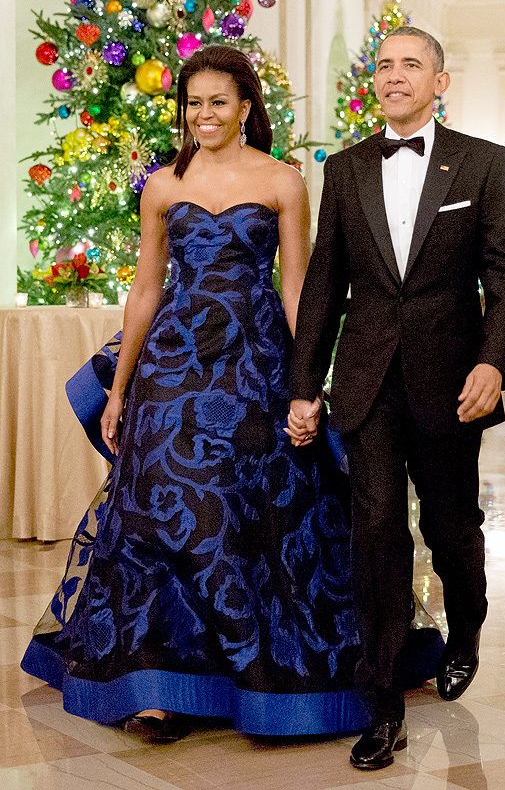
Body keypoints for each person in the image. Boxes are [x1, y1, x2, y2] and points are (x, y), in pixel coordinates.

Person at [21, 45, 443, 743]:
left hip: (254, 366)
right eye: (194, 103)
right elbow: (146, 288)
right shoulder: (162, 185)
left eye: (218, 102)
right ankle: (157, 686)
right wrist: (120, 389)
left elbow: (297, 286)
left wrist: (311, 379)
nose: (204, 115)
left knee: (240, 514)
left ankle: (247, 675)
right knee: (159, 511)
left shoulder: (283, 181)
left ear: (246, 106)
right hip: (171, 367)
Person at [287, 26, 505, 770]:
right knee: (376, 534)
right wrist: (305, 387)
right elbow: (324, 284)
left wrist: (494, 363)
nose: (395, 75)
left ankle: (467, 628)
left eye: (411, 65)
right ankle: (383, 702)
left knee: (452, 527)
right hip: (366, 382)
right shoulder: (345, 168)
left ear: (439, 82)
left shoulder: (484, 163)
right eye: (386, 65)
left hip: (451, 381)